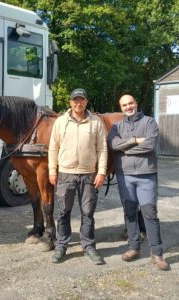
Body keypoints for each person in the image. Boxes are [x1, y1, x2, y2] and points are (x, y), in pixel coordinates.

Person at [107, 94, 170, 271]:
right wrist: (134, 141)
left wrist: (125, 150)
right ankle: (133, 247)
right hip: (125, 176)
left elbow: (150, 145)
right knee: (129, 212)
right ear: (121, 108)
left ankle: (157, 253)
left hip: (146, 175)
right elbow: (113, 145)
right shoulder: (116, 126)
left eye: (130, 103)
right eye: (124, 105)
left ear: (136, 103)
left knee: (150, 213)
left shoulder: (149, 122)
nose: (128, 107)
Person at [48, 88, 108, 264]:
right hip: (65, 174)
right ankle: (61, 246)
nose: (78, 103)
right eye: (75, 100)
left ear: (86, 102)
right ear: (70, 102)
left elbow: (102, 149)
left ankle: (88, 246)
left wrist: (102, 171)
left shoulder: (95, 122)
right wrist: (52, 170)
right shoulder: (60, 122)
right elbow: (53, 147)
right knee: (64, 211)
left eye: (81, 100)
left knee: (88, 212)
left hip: (88, 174)